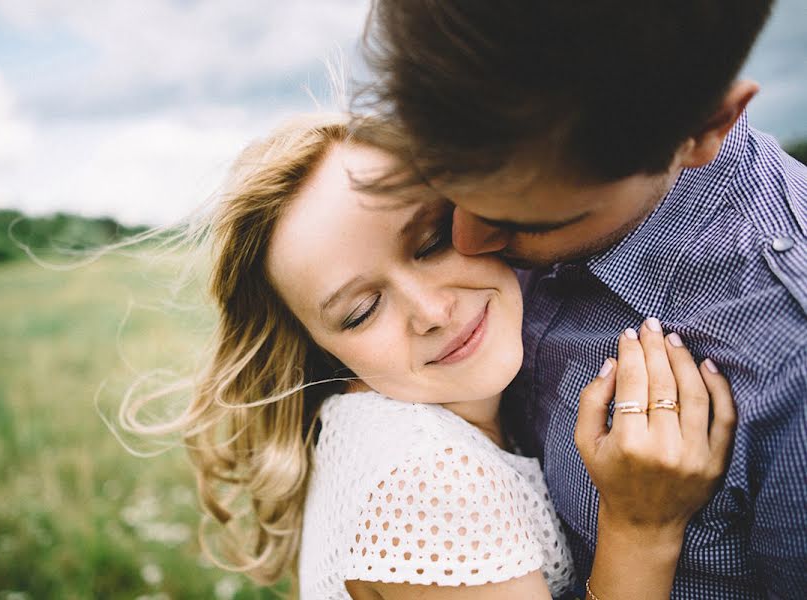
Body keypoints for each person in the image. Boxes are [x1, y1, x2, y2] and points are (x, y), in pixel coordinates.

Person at [123, 114, 737, 599]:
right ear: (321, 348)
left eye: (433, 241)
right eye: (361, 311)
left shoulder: (373, 417)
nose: (432, 311)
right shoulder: (429, 482)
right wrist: (640, 530)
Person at [356, 1, 807, 598]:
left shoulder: (789, 364)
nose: (467, 243)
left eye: (523, 223)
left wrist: (642, 532)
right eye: (445, 197)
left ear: (705, 128)